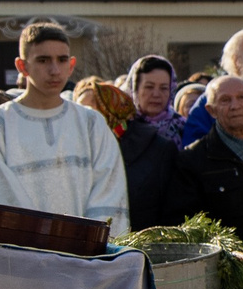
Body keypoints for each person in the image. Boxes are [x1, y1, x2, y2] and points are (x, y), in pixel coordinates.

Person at [0, 22, 129, 237]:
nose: (54, 70)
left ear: (71, 65)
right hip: (26, 257)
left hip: (87, 259)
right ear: (22, 66)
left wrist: (93, 245)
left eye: (62, 60)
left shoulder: (91, 123)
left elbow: (109, 191)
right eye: (43, 60)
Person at [77, 77, 183, 232]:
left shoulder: (159, 148)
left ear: (111, 109)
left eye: (89, 111)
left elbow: (171, 210)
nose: (80, 118)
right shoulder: (75, 148)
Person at [177, 74, 243, 241]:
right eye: (225, 100)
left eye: (241, 97)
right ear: (211, 110)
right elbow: (189, 225)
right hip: (227, 261)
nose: (235, 106)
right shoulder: (193, 159)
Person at [127, 56, 179, 140]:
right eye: (149, 87)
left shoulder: (182, 127)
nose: (156, 94)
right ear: (135, 89)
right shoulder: (122, 127)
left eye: (164, 88)